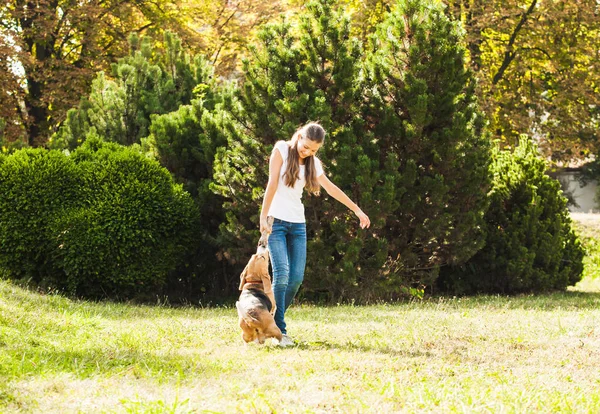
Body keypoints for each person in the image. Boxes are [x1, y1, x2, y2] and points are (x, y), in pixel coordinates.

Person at [260, 122, 370, 347]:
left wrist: (356, 210)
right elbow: (272, 184)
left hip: (297, 225)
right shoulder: (281, 149)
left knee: (296, 278)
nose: (307, 152)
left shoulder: (313, 164)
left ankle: (270, 318)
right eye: (306, 146)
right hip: (276, 223)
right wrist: (263, 217)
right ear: (299, 136)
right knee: (281, 274)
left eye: (313, 150)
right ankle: (280, 330)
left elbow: (331, 188)